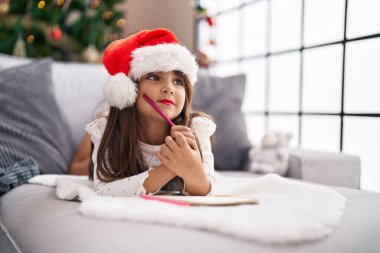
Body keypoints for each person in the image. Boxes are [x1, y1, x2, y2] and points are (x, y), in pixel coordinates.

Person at [83, 28, 217, 197]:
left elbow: (209, 193)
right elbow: (104, 190)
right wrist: (171, 166)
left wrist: (191, 166)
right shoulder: (105, 129)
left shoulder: (197, 128)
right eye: (154, 77)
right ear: (131, 89)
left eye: (178, 81)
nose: (169, 88)